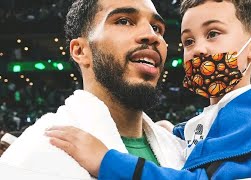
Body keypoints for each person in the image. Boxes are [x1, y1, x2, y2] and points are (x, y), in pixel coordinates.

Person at [45, 0, 251, 179]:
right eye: (188, 41)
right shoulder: (206, 121)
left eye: (212, 34)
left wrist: (107, 161)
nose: (198, 48)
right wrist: (175, 132)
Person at [0, 0, 186, 179]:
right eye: (124, 21)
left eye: (157, 28)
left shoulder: (180, 150)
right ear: (80, 51)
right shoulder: (32, 157)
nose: (152, 36)